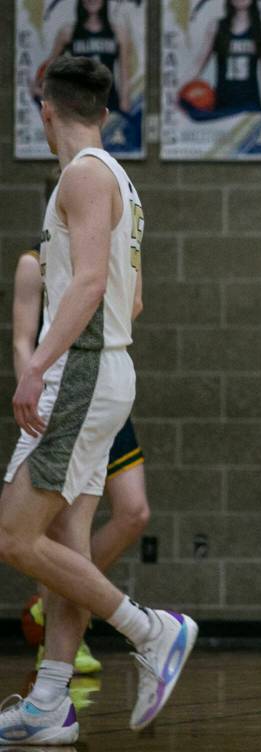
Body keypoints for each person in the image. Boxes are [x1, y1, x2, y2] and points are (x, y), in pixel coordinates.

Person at [0, 56, 197, 745]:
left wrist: (37, 369)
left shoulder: (82, 175)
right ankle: (52, 698)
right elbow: (130, 297)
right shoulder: (117, 178)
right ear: (105, 111)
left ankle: (152, 631)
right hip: (103, 371)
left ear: (44, 109)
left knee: (13, 534)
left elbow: (88, 287)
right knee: (65, 544)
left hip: (82, 374)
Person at [14, 234, 152, 676]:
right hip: (58, 391)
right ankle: (60, 651)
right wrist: (34, 389)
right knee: (60, 527)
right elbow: (22, 340)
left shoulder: (111, 252)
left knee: (133, 513)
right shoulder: (34, 263)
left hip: (99, 382)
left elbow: (132, 306)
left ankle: (60, 595)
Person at [32, 0, 134, 114]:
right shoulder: (69, 31)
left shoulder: (118, 32)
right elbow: (51, 65)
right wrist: (38, 86)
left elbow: (124, 72)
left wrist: (125, 103)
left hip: (109, 101)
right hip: (79, 103)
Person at [189, 0, 261, 114]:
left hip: (251, 104)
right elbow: (198, 65)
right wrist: (179, 91)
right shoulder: (216, 26)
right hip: (222, 104)